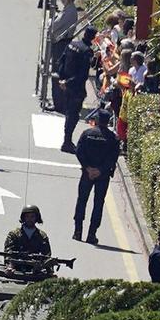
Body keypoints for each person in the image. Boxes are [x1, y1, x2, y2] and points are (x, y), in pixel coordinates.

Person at [73, 109, 121, 244]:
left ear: (97, 120)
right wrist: (100, 170)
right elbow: (113, 158)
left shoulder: (87, 133)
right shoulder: (112, 138)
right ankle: (91, 234)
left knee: (82, 200)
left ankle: (77, 232)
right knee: (98, 204)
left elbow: (79, 151)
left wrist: (88, 167)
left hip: (86, 174)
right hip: (102, 175)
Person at [57, 26, 96, 152]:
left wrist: (62, 79)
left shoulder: (71, 44)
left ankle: (66, 141)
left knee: (69, 113)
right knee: (73, 115)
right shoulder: (87, 51)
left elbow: (61, 61)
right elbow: (83, 74)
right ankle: (67, 142)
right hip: (76, 87)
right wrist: (68, 83)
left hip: (65, 84)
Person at [4, 206, 52, 270]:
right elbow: (8, 252)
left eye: (32, 216)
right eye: (27, 216)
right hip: (16, 268)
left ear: (36, 218)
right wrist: (10, 265)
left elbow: (47, 255)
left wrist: (44, 265)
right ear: (23, 218)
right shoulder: (14, 234)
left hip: (36, 271)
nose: (29, 219)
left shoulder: (42, 236)